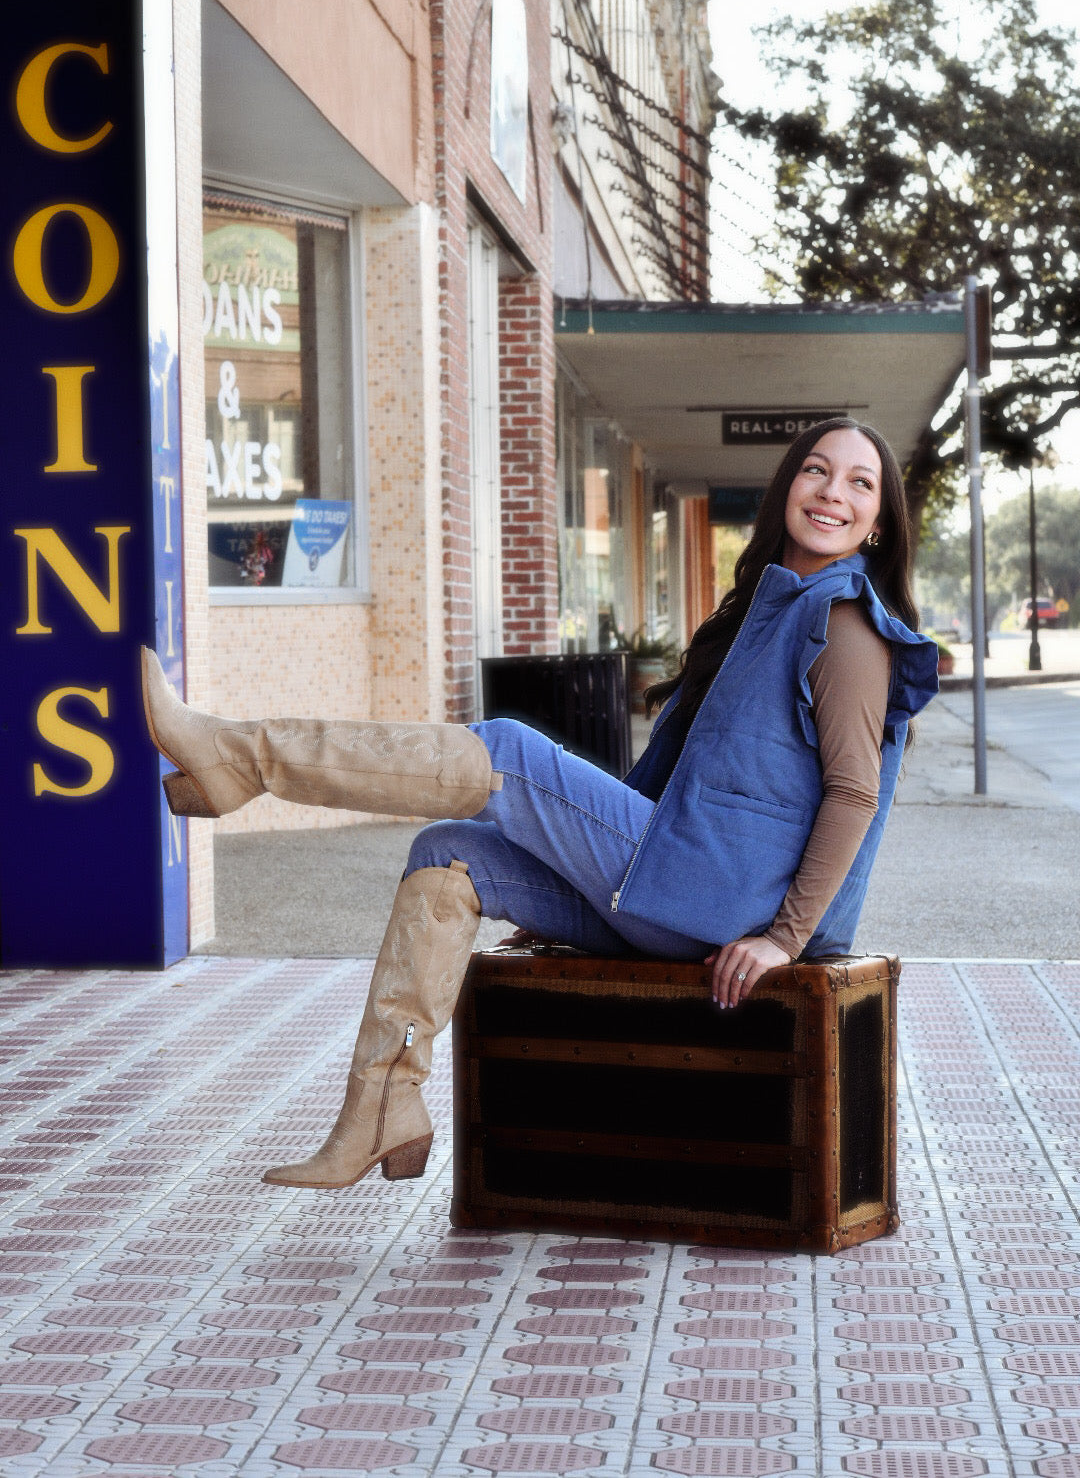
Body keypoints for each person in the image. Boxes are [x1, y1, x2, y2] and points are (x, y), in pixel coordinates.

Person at [141, 417, 937, 1193]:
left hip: (724, 896)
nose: (834, 492)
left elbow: (854, 794)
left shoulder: (846, 624)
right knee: (450, 855)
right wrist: (573, 864)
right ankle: (380, 1107)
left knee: (510, 751)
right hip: (672, 883)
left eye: (860, 483)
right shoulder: (766, 613)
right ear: (786, 489)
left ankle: (240, 757)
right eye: (816, 470)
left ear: (877, 522)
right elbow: (669, 788)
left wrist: (784, 939)